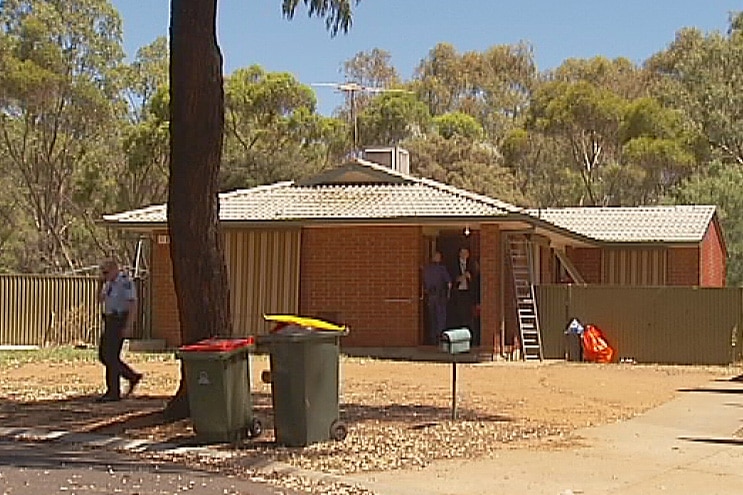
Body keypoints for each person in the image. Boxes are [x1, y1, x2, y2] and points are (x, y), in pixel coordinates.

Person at [96, 258, 142, 402]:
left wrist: (129, 325)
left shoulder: (124, 282)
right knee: (104, 356)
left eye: (106, 272)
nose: (104, 275)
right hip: (109, 321)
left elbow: (133, 304)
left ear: (115, 269)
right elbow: (99, 300)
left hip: (119, 321)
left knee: (111, 356)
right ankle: (131, 376)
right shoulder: (109, 284)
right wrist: (99, 285)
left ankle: (113, 392)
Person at [422, 251, 452, 345]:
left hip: (430, 296)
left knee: (432, 318)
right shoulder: (442, 269)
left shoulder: (426, 269)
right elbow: (449, 283)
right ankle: (440, 337)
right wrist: (448, 295)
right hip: (440, 296)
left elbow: (424, 283)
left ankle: (432, 338)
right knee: (440, 317)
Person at [449, 247, 478, 330]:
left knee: (469, 315)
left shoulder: (472, 265)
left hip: (468, 293)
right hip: (458, 292)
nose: (464, 255)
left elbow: (475, 279)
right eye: (462, 253)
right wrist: (462, 277)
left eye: (466, 253)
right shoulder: (454, 265)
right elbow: (453, 278)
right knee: (459, 314)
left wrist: (470, 277)